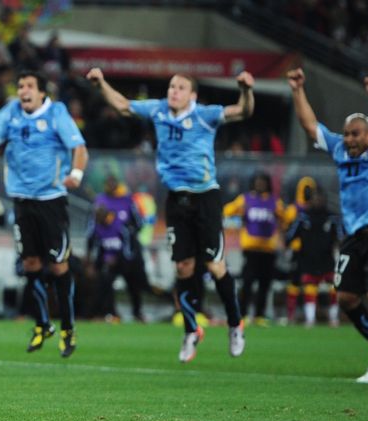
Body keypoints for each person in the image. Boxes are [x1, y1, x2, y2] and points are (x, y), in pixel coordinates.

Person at [87, 67, 253, 363]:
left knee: (215, 266)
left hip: (205, 198)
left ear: (193, 95)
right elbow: (123, 105)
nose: (173, 91)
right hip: (177, 200)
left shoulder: (205, 114)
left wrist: (245, 90)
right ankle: (191, 329)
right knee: (183, 268)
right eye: (171, 87)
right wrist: (101, 83)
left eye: (180, 88)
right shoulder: (159, 110)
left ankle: (234, 323)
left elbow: (243, 111)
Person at [0, 70, 88, 357]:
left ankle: (67, 326)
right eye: (20, 86)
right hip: (21, 202)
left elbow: (79, 147)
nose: (23, 91)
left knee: (59, 265)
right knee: (30, 263)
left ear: (41, 92)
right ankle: (42, 324)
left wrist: (76, 172)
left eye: (29, 86)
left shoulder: (57, 113)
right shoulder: (10, 112)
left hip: (51, 200)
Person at [288, 68, 368, 383]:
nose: (349, 138)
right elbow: (311, 127)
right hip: (354, 233)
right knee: (347, 299)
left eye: (355, 133)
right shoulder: (339, 147)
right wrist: (297, 90)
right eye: (347, 133)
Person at [223, 171, 284, 327]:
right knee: (247, 282)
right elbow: (227, 210)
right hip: (250, 248)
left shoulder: (274, 202)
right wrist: (239, 209)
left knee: (265, 283)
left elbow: (286, 217)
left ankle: (259, 315)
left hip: (269, 249)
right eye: (257, 181)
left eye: (262, 182)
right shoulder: (246, 199)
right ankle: (242, 314)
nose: (260, 184)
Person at [85, 174, 148, 322]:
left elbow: (139, 224)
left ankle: (137, 312)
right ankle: (109, 313)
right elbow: (90, 231)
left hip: (128, 253)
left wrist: (125, 231)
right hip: (107, 251)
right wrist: (90, 255)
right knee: (104, 282)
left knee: (135, 284)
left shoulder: (127, 200)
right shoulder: (99, 201)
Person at [285, 188, 341, 328]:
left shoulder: (332, 218)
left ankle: (333, 318)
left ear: (324, 200)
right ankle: (310, 319)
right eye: (315, 198)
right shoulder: (303, 217)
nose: (317, 201)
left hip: (327, 259)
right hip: (307, 258)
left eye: (320, 198)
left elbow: (341, 237)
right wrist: (287, 247)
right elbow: (290, 235)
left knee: (334, 287)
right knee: (309, 287)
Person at [281, 176, 317, 324]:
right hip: (297, 251)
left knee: (310, 282)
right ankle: (291, 315)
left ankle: (309, 316)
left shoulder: (315, 210)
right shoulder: (292, 210)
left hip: (312, 252)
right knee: (294, 282)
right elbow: (286, 229)